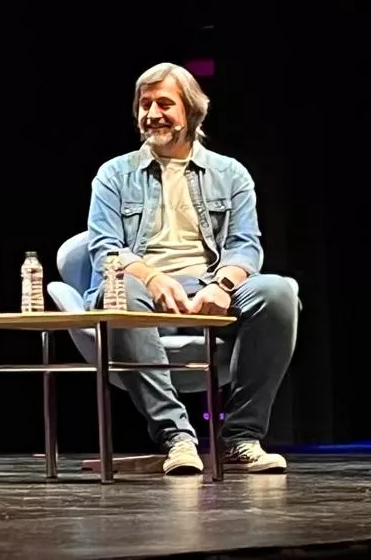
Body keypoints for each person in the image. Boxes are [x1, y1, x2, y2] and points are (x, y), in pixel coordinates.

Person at [86, 62, 298, 475]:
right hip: (140, 288)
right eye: (145, 104)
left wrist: (222, 285)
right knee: (122, 292)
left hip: (209, 286)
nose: (152, 114)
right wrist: (152, 277)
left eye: (164, 103)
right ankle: (177, 438)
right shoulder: (114, 175)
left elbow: (245, 246)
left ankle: (241, 437)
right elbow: (105, 250)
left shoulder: (229, 173)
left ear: (192, 111)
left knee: (278, 292)